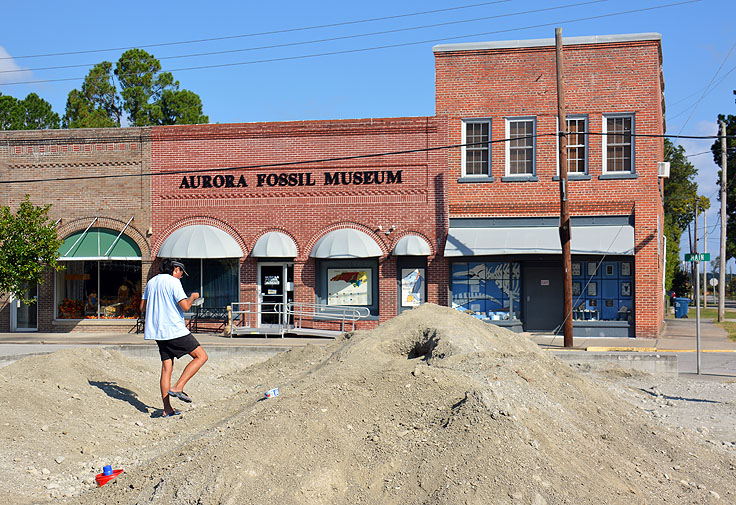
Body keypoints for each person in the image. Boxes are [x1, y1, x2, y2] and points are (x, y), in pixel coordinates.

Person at [139, 258, 208, 417]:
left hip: (157, 332)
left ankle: (167, 409)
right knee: (201, 356)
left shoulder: (151, 282)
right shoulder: (173, 282)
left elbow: (142, 307)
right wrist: (192, 297)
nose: (180, 277)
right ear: (175, 269)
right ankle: (178, 387)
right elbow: (185, 306)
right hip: (174, 330)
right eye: (181, 273)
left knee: (166, 368)